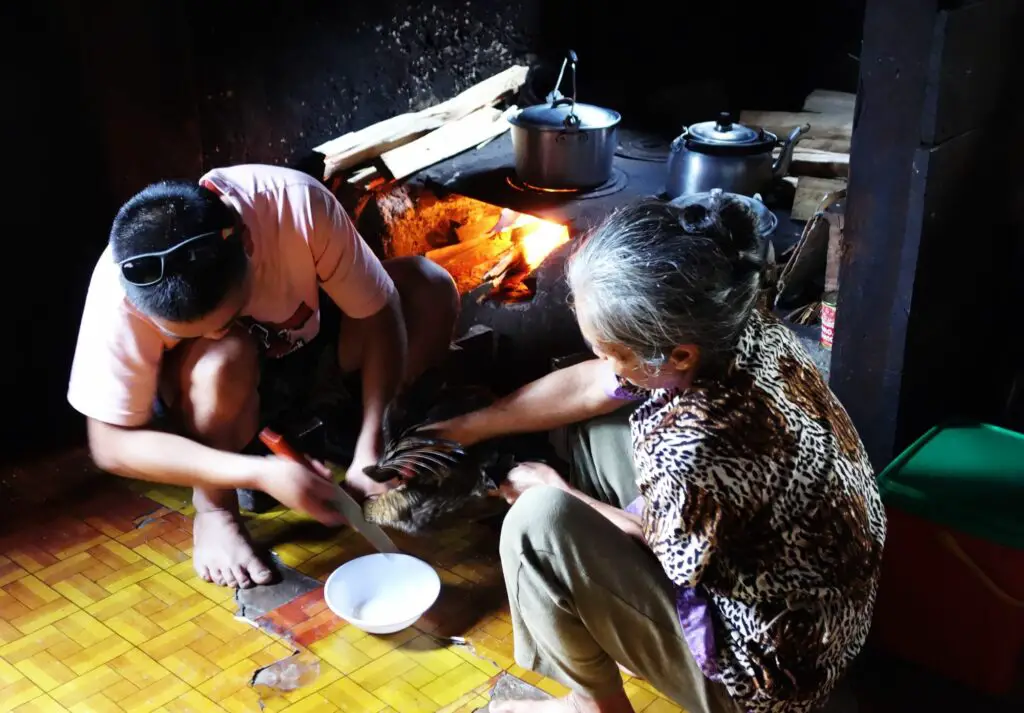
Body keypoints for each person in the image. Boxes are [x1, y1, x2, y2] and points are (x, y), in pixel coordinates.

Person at [428, 196, 886, 713]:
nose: (605, 365)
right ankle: (616, 621)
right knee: (592, 425)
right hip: (824, 605)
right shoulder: (736, 323)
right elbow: (597, 387)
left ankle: (593, 705)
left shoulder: (695, 442)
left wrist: (559, 493)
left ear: (677, 355)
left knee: (536, 528)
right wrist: (470, 426)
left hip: (770, 675)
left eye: (610, 354)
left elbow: (669, 555)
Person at [67, 164, 457, 589]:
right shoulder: (119, 291)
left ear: (248, 243)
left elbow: (380, 315)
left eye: (228, 315)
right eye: (194, 333)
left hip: (312, 357)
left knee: (428, 287)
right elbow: (109, 444)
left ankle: (360, 433)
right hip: (216, 403)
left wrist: (372, 442)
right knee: (223, 355)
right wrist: (255, 473)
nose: (216, 329)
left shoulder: (295, 204)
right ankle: (215, 509)